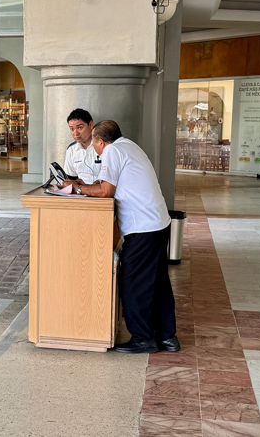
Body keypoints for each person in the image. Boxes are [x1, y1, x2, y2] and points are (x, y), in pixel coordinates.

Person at [75, 120, 179, 354]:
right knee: (158, 283)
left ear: (101, 141)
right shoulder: (129, 145)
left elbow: (106, 191)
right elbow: (108, 184)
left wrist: (77, 189)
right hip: (158, 223)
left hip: (142, 228)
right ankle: (167, 338)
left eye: (93, 141)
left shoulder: (111, 151)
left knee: (133, 283)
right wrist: (87, 185)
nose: (93, 146)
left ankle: (143, 338)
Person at [62, 109, 101, 187]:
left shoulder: (103, 145)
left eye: (80, 128)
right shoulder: (71, 150)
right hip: (81, 194)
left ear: (91, 125)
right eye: (72, 129)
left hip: (103, 193)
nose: (75, 133)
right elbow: (70, 179)